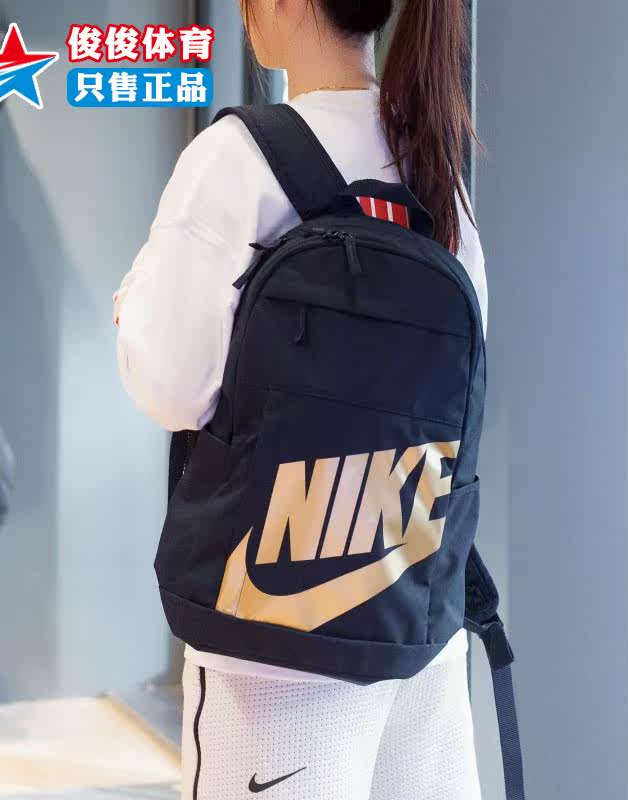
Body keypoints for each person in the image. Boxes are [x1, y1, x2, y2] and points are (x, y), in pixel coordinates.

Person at [114, 1, 487, 798]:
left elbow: (169, 386)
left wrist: (129, 306)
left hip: (273, 653)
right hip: (418, 624)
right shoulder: (434, 166)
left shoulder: (235, 158)